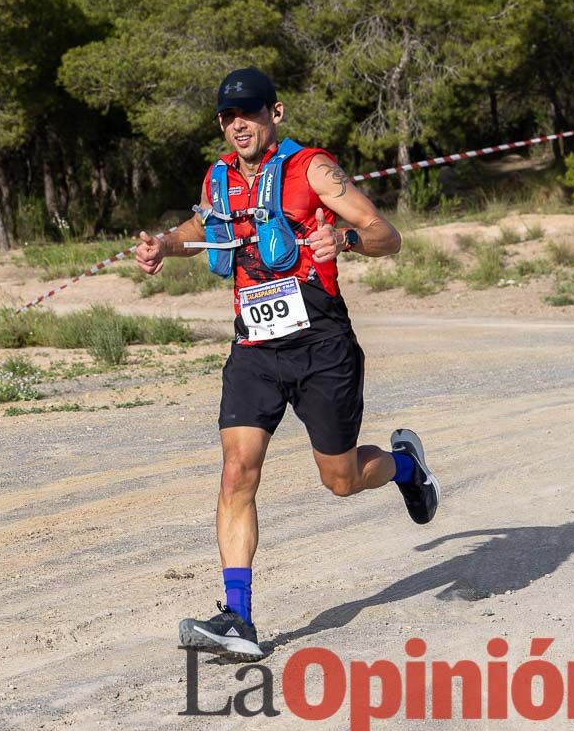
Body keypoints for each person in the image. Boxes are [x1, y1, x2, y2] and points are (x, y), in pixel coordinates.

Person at [134, 67, 440, 661]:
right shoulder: (220, 175)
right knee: (235, 473)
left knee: (341, 479)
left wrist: (345, 243)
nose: (237, 124)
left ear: (275, 113)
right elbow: (206, 224)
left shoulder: (313, 169)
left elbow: (386, 233)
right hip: (254, 345)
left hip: (321, 342)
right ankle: (237, 618)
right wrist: (167, 245)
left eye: (247, 112)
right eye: (227, 116)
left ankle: (406, 467)